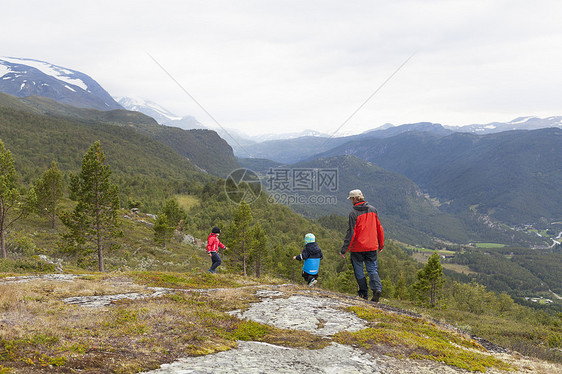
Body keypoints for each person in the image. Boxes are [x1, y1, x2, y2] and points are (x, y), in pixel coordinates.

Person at [340, 189, 384, 302]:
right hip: (372, 246)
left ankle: (363, 294)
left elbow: (351, 233)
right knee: (372, 269)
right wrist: (381, 244)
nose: (350, 201)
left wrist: (344, 250)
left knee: (359, 270)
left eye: (351, 199)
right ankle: (377, 289)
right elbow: (379, 228)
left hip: (357, 248)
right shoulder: (373, 210)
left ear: (354, 199)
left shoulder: (353, 214)